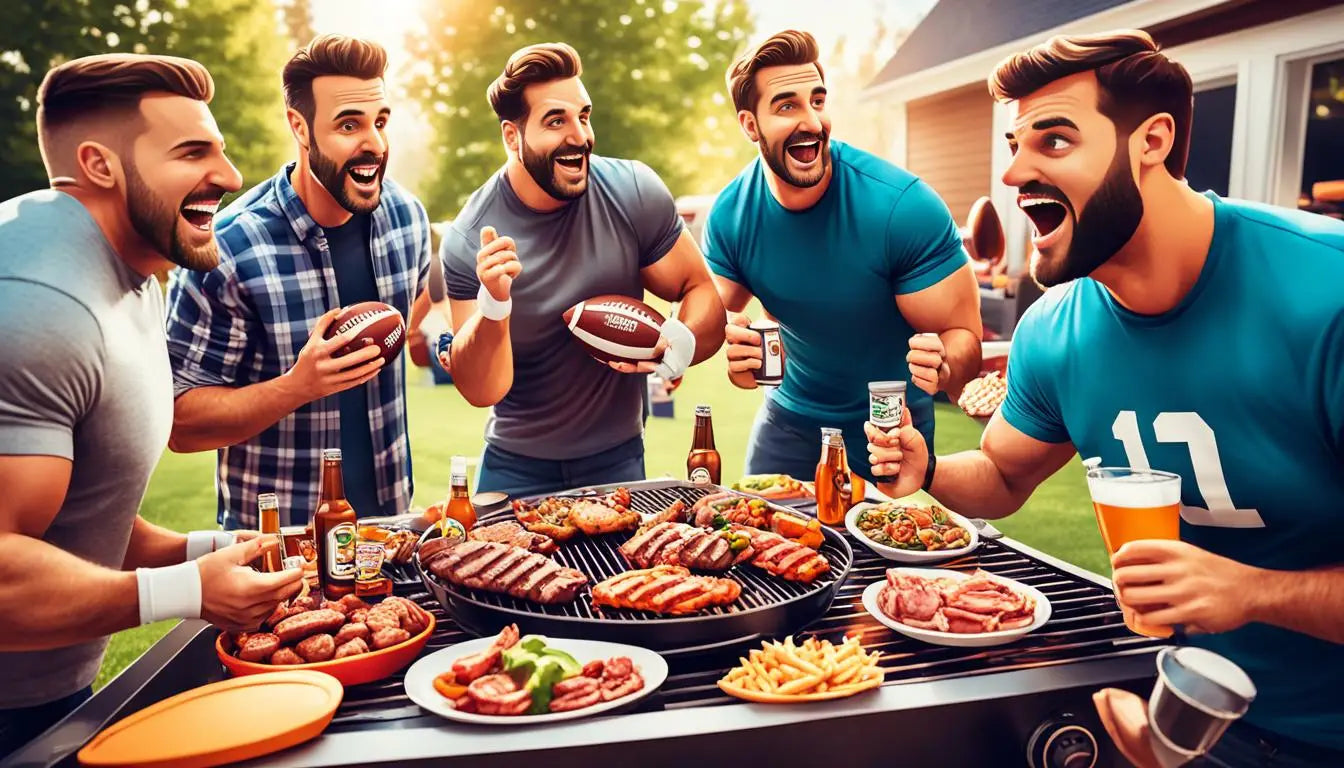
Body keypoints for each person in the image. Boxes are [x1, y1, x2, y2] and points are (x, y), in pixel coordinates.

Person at [865, 30, 1344, 767]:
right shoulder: (1054, 329)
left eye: (1053, 141)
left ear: (1151, 141)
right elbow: (1002, 477)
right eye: (1015, 144)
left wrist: (1254, 592)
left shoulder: (1325, 293)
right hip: (1182, 716)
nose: (1015, 170)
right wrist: (927, 470)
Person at [0, 54, 302, 760]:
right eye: (193, 152)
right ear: (99, 165)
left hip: (51, 689)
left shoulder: (140, 268)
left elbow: (77, 505)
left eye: (220, 149)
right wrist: (183, 589)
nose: (229, 177)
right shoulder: (40, 303)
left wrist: (201, 551)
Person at [165, 35, 434, 528]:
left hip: (389, 532)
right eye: (349, 125)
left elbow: (414, 310)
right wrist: (297, 387)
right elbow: (180, 423)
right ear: (300, 127)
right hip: (281, 546)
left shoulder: (408, 219)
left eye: (380, 122)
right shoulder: (227, 249)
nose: (373, 143)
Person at [441, 42, 725, 497]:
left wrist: (681, 341)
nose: (580, 136)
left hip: (620, 458)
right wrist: (493, 304)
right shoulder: (470, 237)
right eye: (556, 121)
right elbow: (479, 390)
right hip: (514, 467)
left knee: (633, 571)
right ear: (512, 137)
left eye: (583, 116)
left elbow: (701, 294)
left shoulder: (633, 191)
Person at [704, 30, 982, 486]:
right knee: (759, 546)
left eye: (817, 100)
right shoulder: (732, 214)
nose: (812, 121)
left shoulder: (902, 208)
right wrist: (735, 354)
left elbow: (963, 338)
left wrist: (945, 364)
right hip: (788, 422)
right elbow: (708, 318)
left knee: (891, 555)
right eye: (787, 106)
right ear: (750, 126)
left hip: (889, 427)